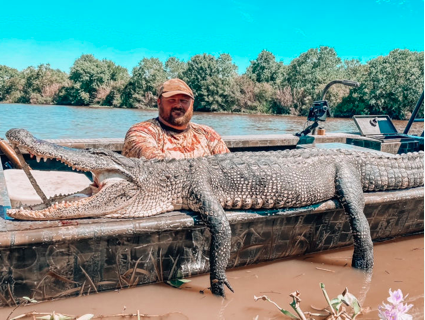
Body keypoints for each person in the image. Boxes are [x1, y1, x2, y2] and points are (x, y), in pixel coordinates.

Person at [122, 78, 230, 160]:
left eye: (184, 101)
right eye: (171, 100)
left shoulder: (208, 134)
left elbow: (230, 165)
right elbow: (155, 165)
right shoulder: (142, 132)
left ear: (192, 104)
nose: (178, 105)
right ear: (159, 102)